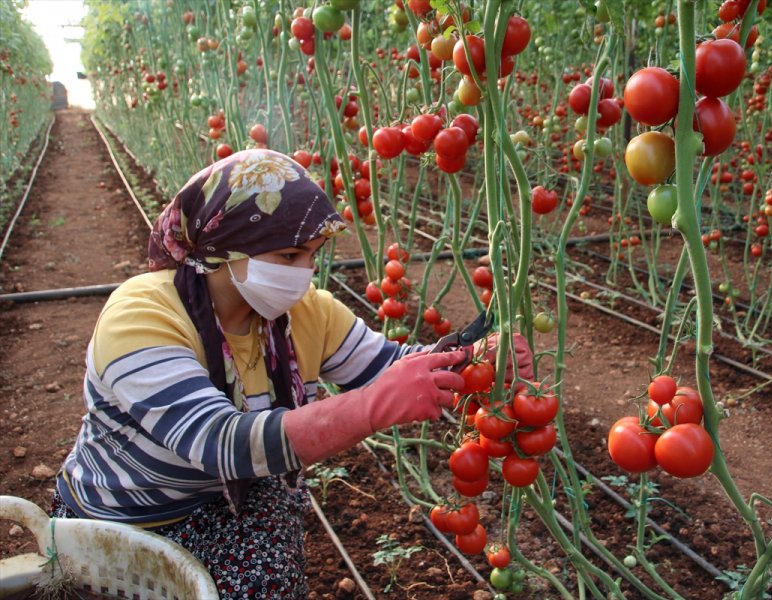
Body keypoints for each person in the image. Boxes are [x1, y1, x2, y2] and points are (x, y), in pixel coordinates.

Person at [52, 148, 533, 598]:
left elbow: (389, 366)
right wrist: (370, 407)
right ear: (226, 246)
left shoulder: (305, 313)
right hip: (124, 519)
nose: (304, 273)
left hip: (227, 500)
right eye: (288, 256)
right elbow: (220, 442)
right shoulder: (142, 314)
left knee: (267, 580)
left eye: (312, 255)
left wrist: (474, 356)